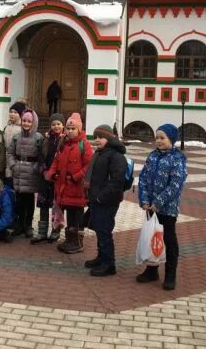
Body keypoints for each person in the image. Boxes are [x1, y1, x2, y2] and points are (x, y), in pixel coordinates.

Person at [136, 123, 187, 290]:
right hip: (151, 208)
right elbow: (143, 178)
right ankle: (152, 270)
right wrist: (144, 200)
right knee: (153, 238)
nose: (158, 141)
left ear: (171, 139)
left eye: (162, 138)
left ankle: (170, 274)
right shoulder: (152, 156)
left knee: (169, 240)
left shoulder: (177, 159)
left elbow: (175, 185)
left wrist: (158, 202)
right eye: (157, 137)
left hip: (167, 208)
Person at [83, 124, 128, 277]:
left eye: (100, 137)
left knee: (104, 231)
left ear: (108, 138)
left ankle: (109, 264)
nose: (97, 140)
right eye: (95, 137)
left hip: (107, 200)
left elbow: (116, 181)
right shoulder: (101, 153)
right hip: (97, 198)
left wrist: (101, 197)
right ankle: (101, 257)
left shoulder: (116, 156)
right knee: (100, 229)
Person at [45, 113, 92, 253]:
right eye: (68, 128)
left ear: (79, 129)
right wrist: (51, 173)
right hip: (64, 187)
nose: (70, 131)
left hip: (76, 188)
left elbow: (88, 166)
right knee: (69, 215)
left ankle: (77, 242)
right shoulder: (63, 143)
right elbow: (56, 161)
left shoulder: (85, 144)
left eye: (73, 128)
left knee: (76, 216)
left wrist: (76, 177)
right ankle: (69, 240)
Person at [7, 109, 43, 238]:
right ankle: (20, 224)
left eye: (29, 121)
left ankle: (28, 225)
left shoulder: (39, 138)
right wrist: (13, 165)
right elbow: (10, 153)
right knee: (19, 200)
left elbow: (41, 156)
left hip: (31, 174)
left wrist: (36, 168)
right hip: (18, 172)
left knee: (29, 201)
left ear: (33, 122)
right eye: (24, 121)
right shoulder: (17, 137)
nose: (26, 123)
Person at [31, 113, 66, 244]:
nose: (56, 126)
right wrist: (44, 170)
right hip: (45, 178)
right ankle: (42, 232)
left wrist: (56, 173)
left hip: (57, 179)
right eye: (53, 124)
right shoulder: (46, 140)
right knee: (44, 206)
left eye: (58, 124)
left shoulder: (65, 140)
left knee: (56, 206)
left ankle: (55, 231)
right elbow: (40, 156)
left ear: (63, 125)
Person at [2, 100, 26, 187]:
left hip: (17, 163)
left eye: (15, 112)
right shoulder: (6, 127)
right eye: (11, 112)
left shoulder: (23, 129)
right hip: (6, 162)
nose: (12, 114)